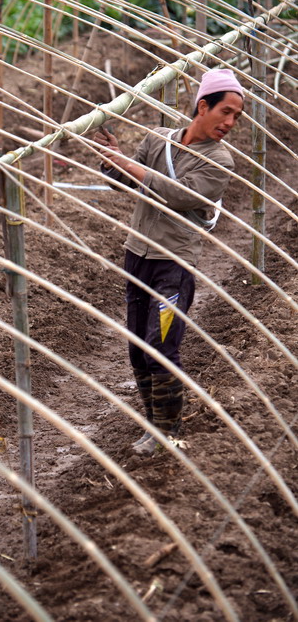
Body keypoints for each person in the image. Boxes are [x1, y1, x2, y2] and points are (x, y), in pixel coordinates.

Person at [94, 68, 244, 456]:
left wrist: (130, 166)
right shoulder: (157, 140)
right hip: (138, 256)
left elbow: (176, 195)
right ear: (202, 106)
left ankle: (171, 433)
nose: (229, 123)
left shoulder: (219, 161)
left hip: (172, 267)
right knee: (136, 348)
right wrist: (113, 161)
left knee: (160, 345)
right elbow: (129, 183)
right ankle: (153, 427)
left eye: (236, 117)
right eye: (225, 112)